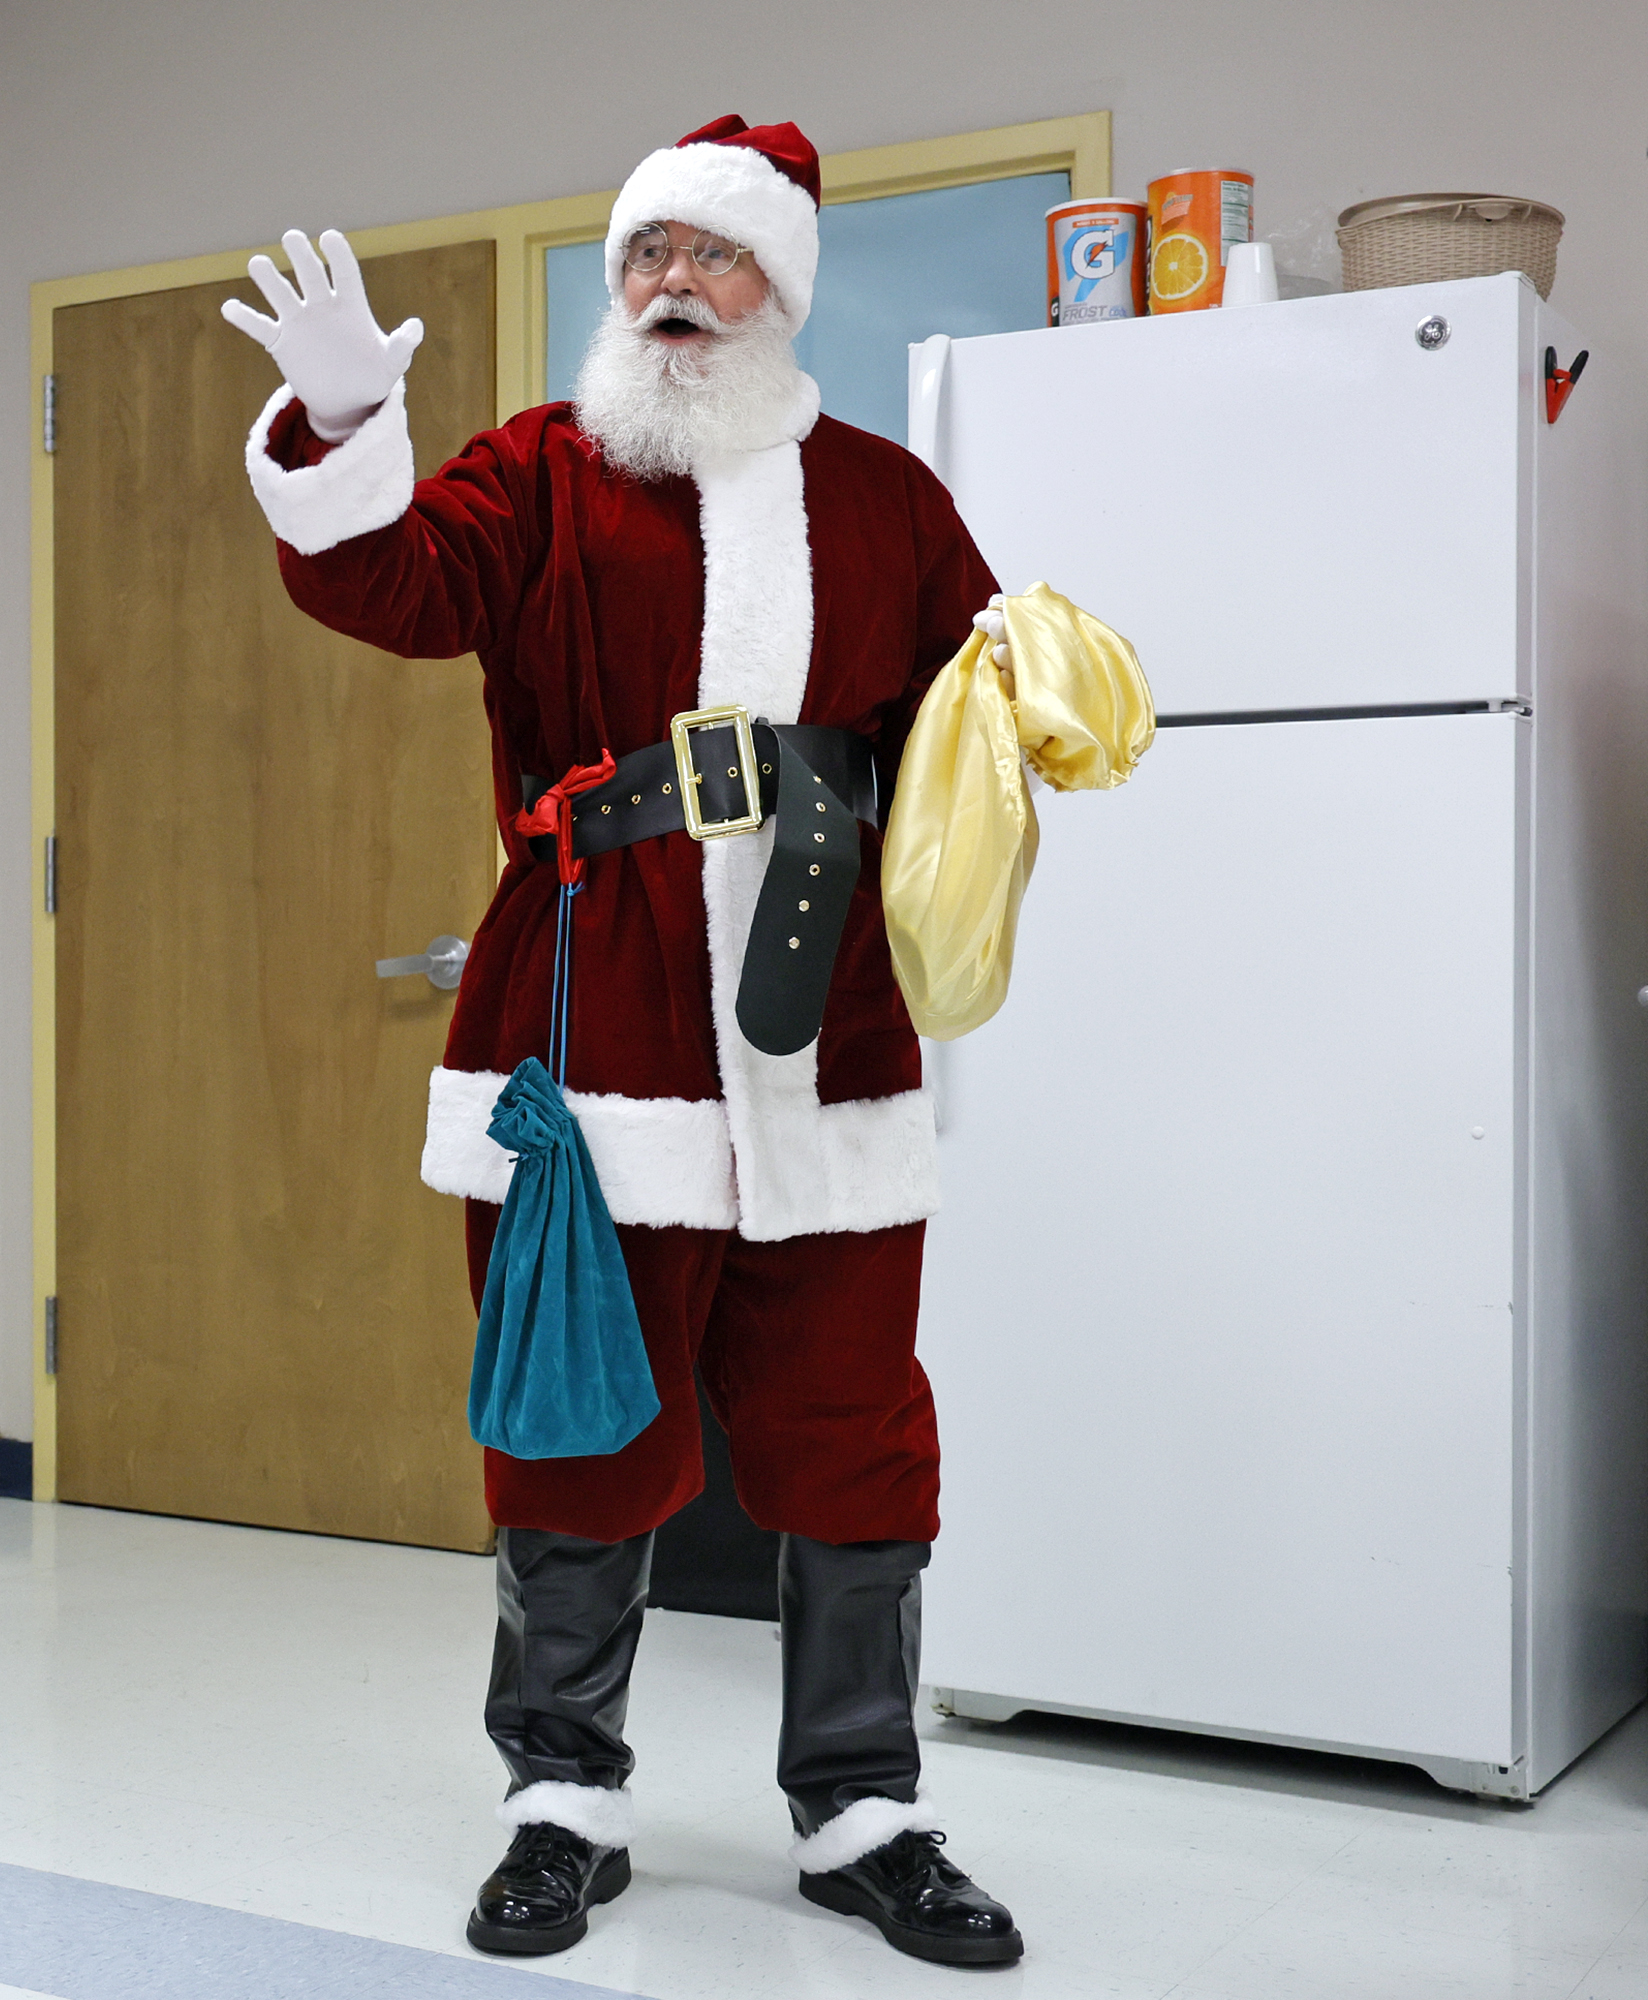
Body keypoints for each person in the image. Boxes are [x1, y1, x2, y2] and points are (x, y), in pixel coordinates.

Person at [223, 117, 1022, 1968]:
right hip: (594, 1014)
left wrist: (1044, 694)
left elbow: (976, 720)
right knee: (577, 1422)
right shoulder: (545, 476)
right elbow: (386, 586)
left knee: (851, 1429)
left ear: (782, 292)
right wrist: (342, 435)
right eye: (645, 254)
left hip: (825, 1027)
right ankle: (559, 1799)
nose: (671, 284)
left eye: (713, 256)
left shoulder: (890, 499)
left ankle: (864, 1809)